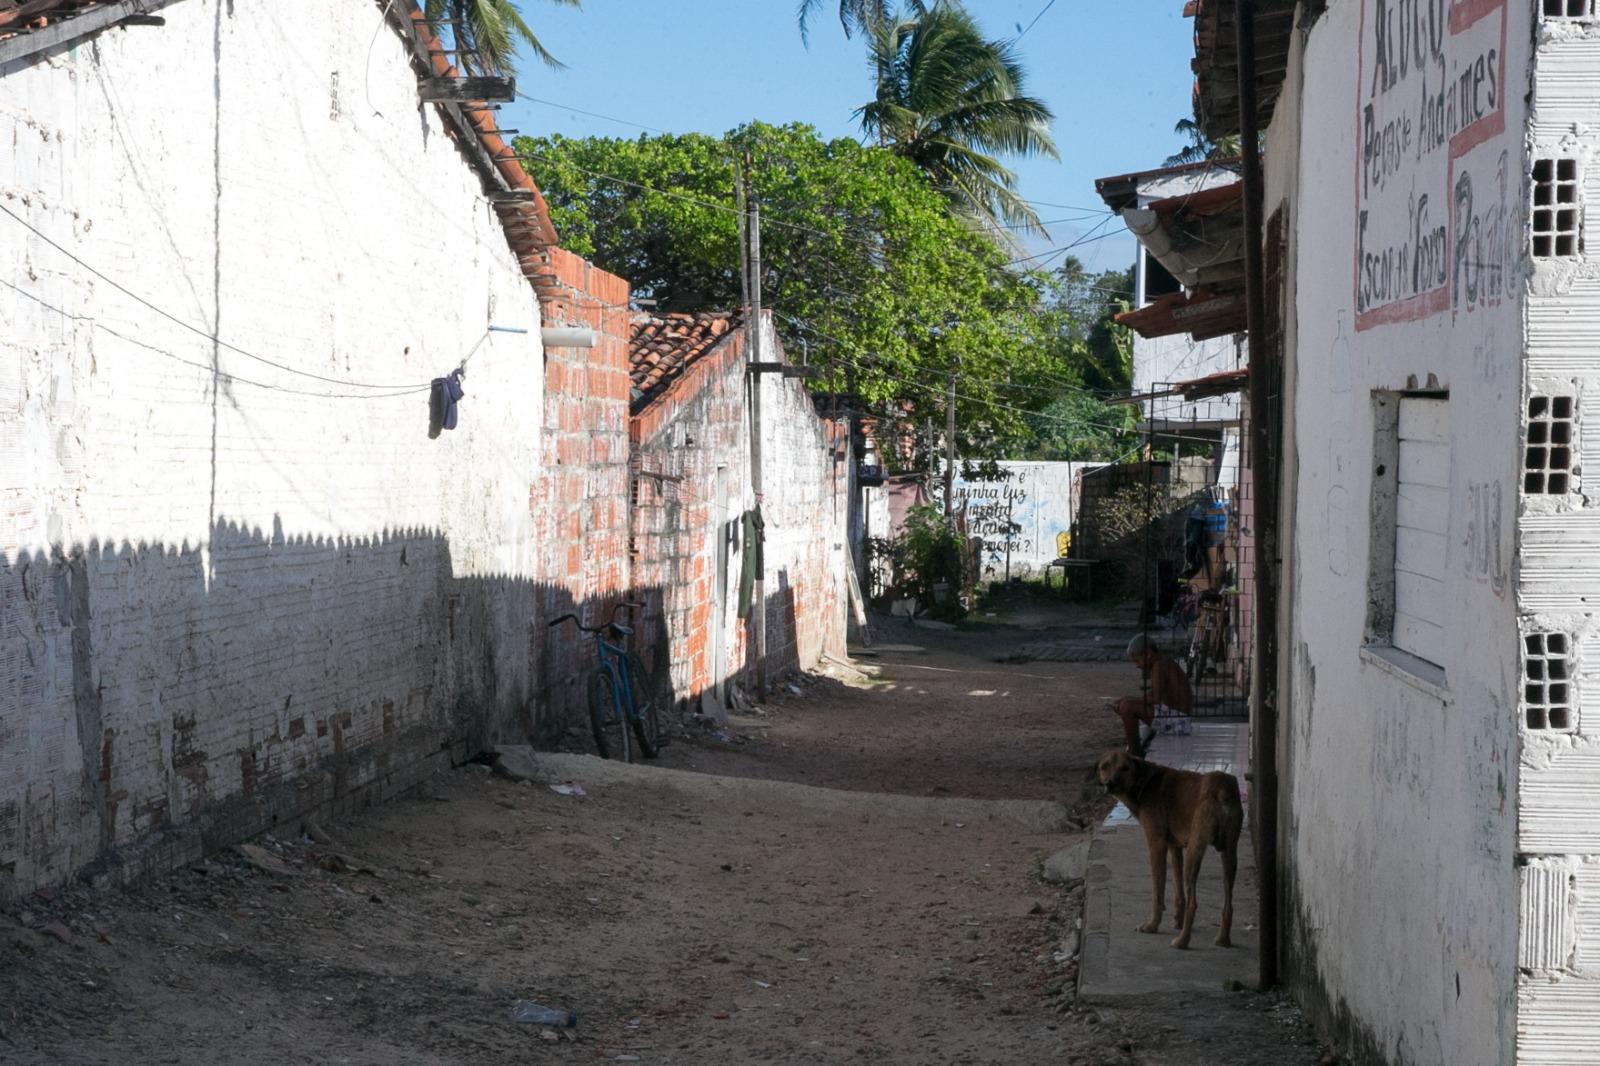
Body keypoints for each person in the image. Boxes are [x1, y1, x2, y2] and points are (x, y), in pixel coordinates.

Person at [1111, 633, 1194, 755]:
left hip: (1180, 723)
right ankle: (1134, 748)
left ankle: (1134, 753)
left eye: (1137, 661)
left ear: (1148, 654)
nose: (1137, 666)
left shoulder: (1159, 665)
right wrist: (1129, 699)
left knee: (1127, 707)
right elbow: (1155, 694)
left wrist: (1129, 702)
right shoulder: (1162, 662)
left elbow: (1155, 698)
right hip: (1181, 720)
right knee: (1127, 703)